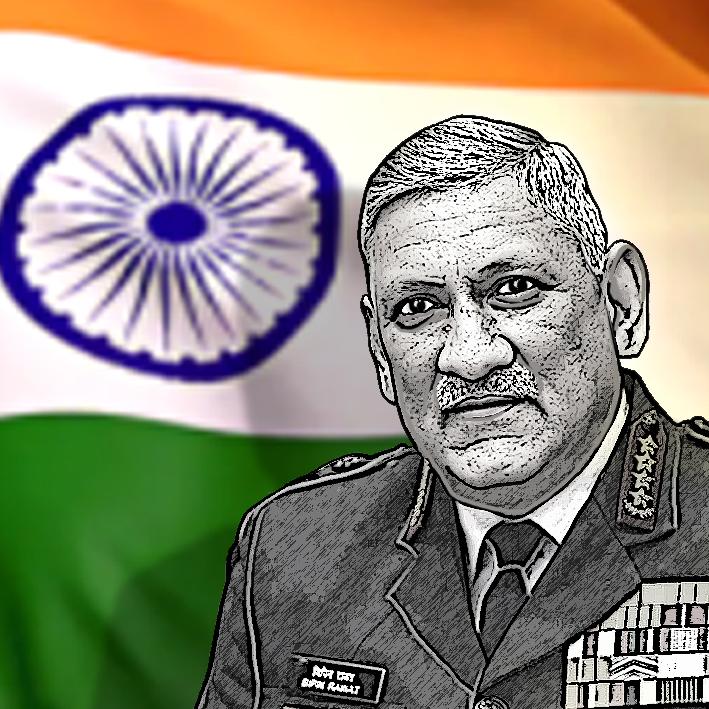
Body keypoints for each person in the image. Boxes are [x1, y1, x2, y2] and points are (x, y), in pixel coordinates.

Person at [196, 116, 709, 709]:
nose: (468, 356)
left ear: (620, 303)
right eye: (417, 307)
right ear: (379, 350)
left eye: (513, 289)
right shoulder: (296, 547)